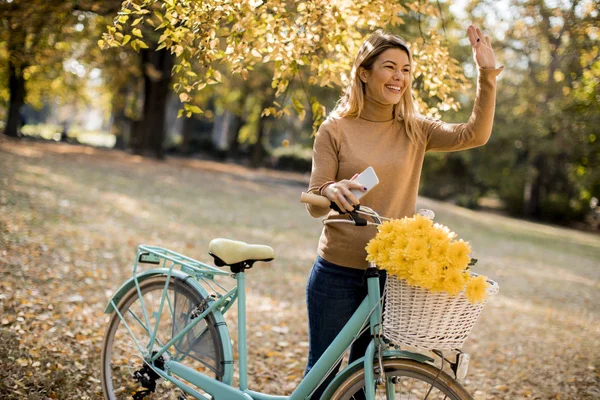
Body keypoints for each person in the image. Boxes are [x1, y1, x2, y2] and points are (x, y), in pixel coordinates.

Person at [303, 25, 503, 398]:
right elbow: (315, 199)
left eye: (406, 70)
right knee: (323, 375)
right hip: (336, 271)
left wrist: (486, 75)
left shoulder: (416, 130)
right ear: (364, 72)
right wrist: (331, 190)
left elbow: (474, 134)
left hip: (388, 277)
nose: (399, 77)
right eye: (390, 67)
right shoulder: (335, 129)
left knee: (365, 377)